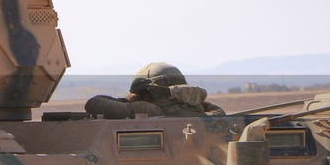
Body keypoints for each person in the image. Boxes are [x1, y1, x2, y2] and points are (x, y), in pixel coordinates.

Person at [85, 62, 225, 119]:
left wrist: (129, 100)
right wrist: (197, 102)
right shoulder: (201, 114)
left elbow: (93, 103)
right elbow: (219, 112)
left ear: (146, 94)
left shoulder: (148, 110)